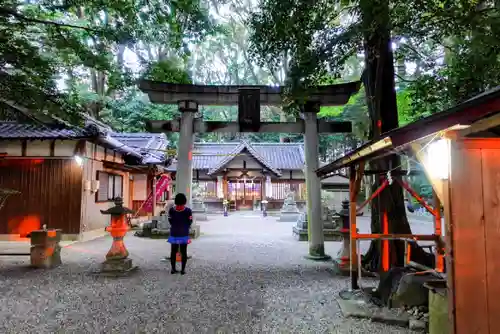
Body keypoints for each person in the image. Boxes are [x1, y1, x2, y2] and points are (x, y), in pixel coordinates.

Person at [167, 193, 192, 275]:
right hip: (184, 233)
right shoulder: (188, 211)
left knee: (173, 251)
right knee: (183, 252)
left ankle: (173, 269)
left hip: (174, 233)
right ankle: (183, 270)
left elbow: (170, 220)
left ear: (176, 201)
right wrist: (186, 227)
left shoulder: (172, 210)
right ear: (185, 201)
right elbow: (190, 221)